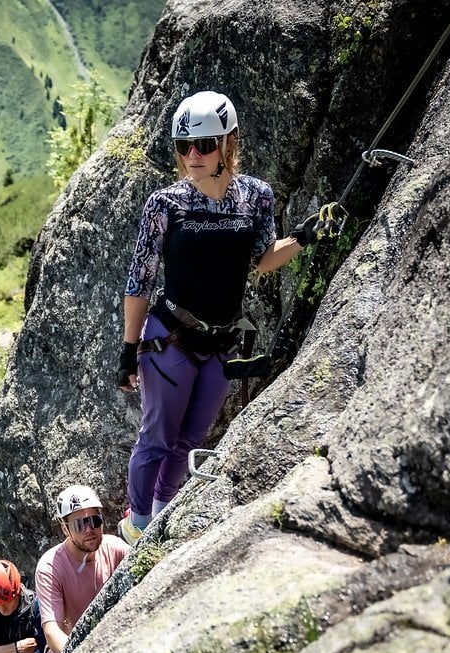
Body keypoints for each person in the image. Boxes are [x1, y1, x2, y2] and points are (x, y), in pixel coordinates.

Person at [116, 90, 333, 545]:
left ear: (228, 143)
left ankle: (161, 517)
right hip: (169, 336)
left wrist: (303, 237)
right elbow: (139, 279)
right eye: (183, 146)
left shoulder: (255, 196)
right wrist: (128, 349)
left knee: (192, 438)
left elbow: (261, 258)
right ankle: (138, 527)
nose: (193, 156)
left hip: (223, 340)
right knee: (157, 436)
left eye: (205, 144)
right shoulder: (164, 205)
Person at [35, 485, 130, 653]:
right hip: (73, 650)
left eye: (94, 521)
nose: (88, 530)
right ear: (65, 529)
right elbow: (52, 630)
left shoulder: (115, 548)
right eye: (79, 524)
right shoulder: (50, 567)